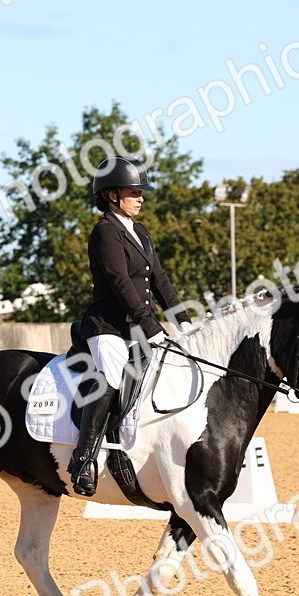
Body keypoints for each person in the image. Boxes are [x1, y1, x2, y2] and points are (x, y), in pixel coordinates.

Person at [69, 156, 194, 496]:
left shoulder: (139, 232)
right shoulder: (105, 233)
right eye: (134, 192)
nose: (141, 198)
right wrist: (152, 327)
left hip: (135, 327)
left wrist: (183, 321)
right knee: (112, 375)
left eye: (141, 193)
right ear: (112, 195)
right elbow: (121, 284)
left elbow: (161, 280)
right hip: (107, 327)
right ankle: (83, 460)